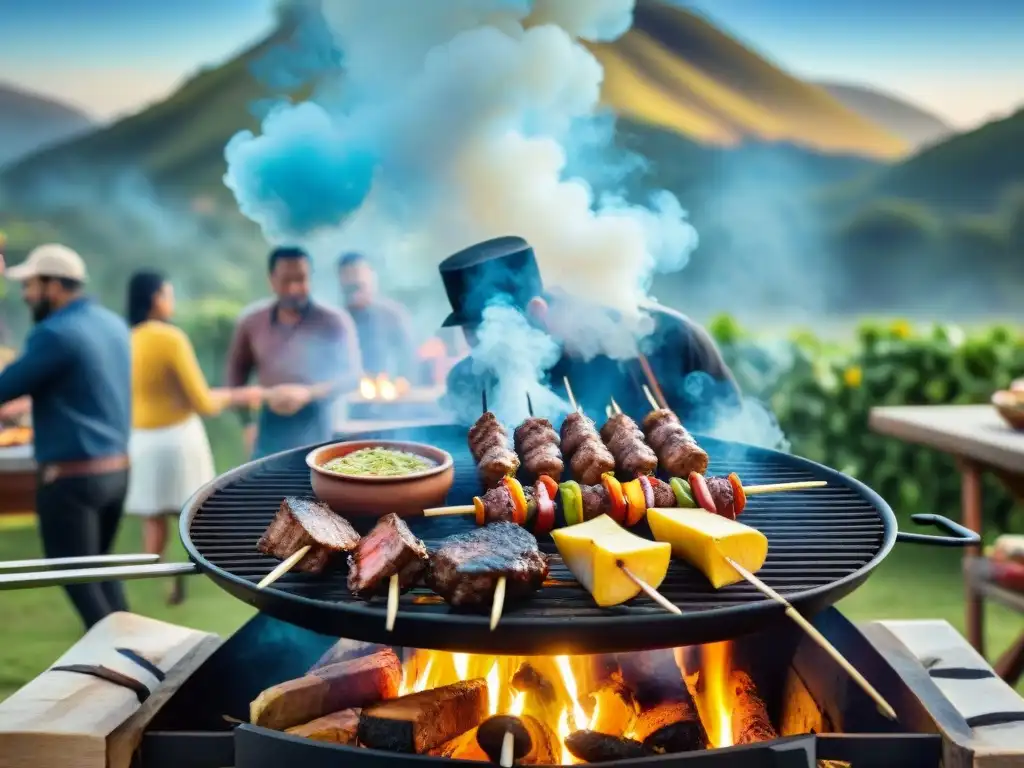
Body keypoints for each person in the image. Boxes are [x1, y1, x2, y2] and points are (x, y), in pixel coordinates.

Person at [439, 236, 741, 428]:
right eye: (468, 330)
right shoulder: (468, 381)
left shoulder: (671, 339)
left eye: (486, 329)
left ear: (537, 311)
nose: (475, 347)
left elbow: (731, 428)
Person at [0, 244, 131, 630]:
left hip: (71, 478)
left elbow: (6, 386)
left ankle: (122, 656)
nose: (25, 294)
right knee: (102, 568)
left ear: (54, 285)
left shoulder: (54, 333)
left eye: (30, 285)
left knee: (74, 572)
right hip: (117, 471)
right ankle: (148, 655)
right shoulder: (112, 323)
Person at [125, 271, 262, 604]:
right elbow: (203, 401)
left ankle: (159, 578)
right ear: (157, 297)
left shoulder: (125, 338)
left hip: (142, 440)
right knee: (191, 512)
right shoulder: (170, 338)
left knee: (153, 518)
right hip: (177, 438)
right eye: (168, 295)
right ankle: (202, 570)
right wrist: (238, 395)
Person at [226, 246, 362, 458]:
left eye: (301, 279)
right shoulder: (252, 322)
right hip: (268, 425)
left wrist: (308, 393)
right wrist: (248, 424)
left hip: (320, 424)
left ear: (311, 278)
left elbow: (352, 377)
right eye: (286, 280)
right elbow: (235, 379)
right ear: (271, 280)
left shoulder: (334, 321)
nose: (294, 288)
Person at [338, 252, 415, 380]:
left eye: (358, 283)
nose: (352, 280)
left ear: (372, 277)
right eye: (349, 284)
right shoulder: (336, 320)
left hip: (389, 391)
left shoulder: (393, 316)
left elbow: (409, 359)